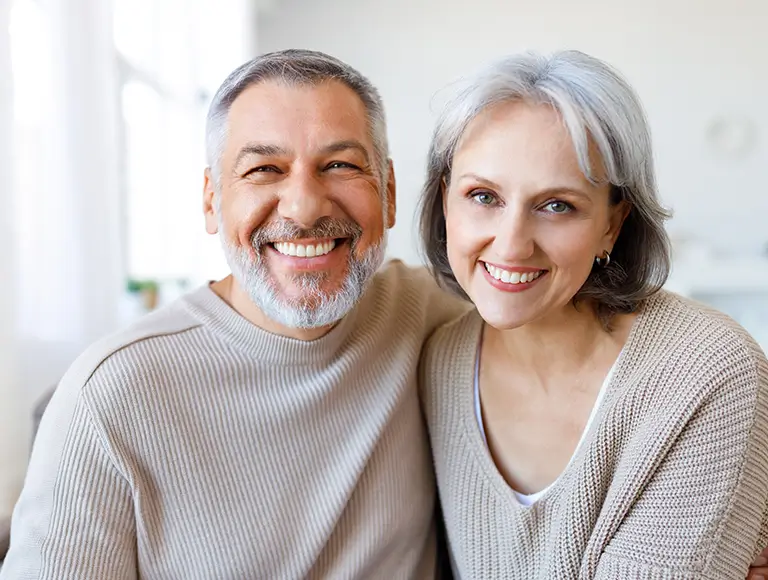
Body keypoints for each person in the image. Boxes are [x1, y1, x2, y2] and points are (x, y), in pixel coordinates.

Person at [0, 49, 468, 579]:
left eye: (339, 165)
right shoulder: (109, 397)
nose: (304, 206)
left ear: (388, 193)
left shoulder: (430, 312)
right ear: (210, 201)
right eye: (264, 169)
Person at [418, 49, 768, 578]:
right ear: (445, 202)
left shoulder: (706, 370)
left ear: (613, 224)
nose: (511, 245)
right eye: (483, 196)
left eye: (557, 205)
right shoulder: (440, 362)